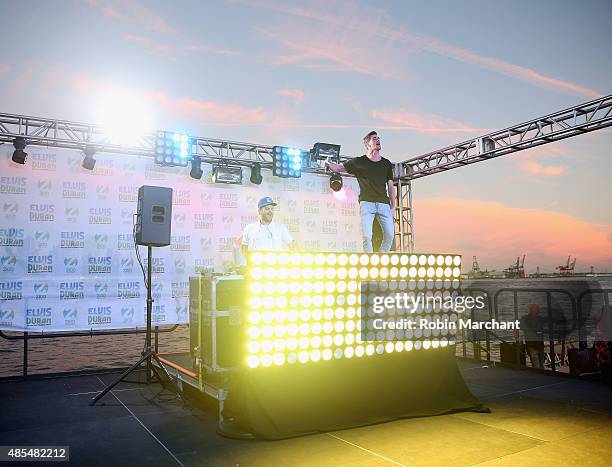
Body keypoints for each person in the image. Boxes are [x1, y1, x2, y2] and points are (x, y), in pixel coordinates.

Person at [325, 130, 395, 253]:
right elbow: (339, 168)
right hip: (367, 203)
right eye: (374, 138)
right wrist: (327, 163)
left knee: (389, 236)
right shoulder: (359, 162)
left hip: (384, 204)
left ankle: (379, 259)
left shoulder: (386, 163)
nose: (378, 140)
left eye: (378, 138)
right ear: (368, 144)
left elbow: (390, 186)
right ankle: (368, 262)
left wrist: (393, 206)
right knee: (367, 237)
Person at [520, 304, 545, 369]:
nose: (535, 311)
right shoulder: (525, 319)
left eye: (536, 309)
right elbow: (516, 326)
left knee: (541, 365)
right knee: (537, 365)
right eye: (534, 309)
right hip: (532, 345)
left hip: (540, 345)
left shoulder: (540, 319)